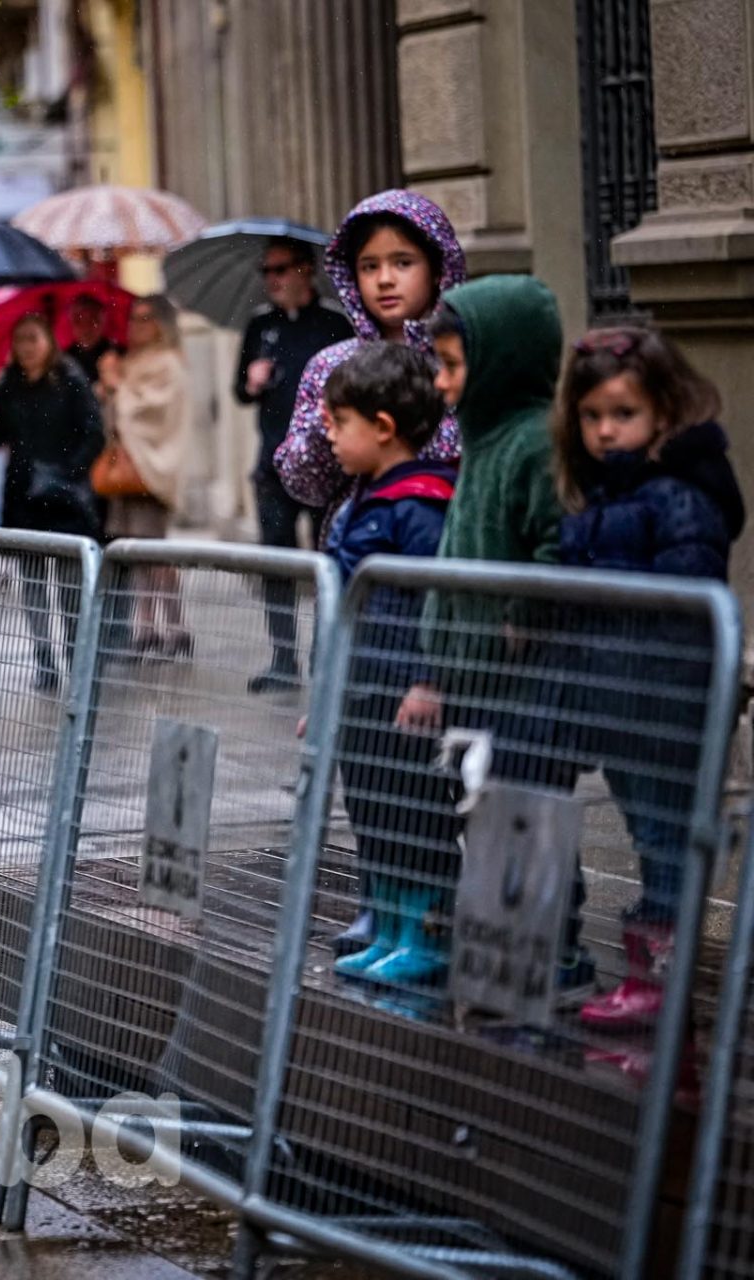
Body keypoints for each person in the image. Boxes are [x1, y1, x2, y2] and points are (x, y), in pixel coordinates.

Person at [395, 275, 595, 999]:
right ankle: (508, 947)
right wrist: (437, 661)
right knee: (486, 809)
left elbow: (557, 542)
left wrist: (522, 614)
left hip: (524, 678)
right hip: (475, 674)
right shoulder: (482, 442)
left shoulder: (535, 443)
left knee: (530, 814)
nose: (442, 381)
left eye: (453, 365)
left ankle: (556, 949)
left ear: (501, 361)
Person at [549, 328, 743, 1035]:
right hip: (616, 701)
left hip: (662, 705)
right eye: (592, 415)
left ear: (664, 410)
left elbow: (687, 595)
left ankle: (660, 983)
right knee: (648, 832)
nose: (606, 430)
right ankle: (650, 979)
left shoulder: (679, 497)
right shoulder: (602, 495)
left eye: (623, 414)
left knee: (665, 843)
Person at [315, 343, 460, 985]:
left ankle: (427, 935)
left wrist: (429, 680)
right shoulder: (362, 501)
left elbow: (439, 600)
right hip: (360, 689)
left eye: (339, 423)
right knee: (374, 812)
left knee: (414, 815)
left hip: (402, 693)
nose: (329, 436)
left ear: (382, 427)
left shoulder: (420, 505)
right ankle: (393, 928)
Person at [274, 191, 467, 526]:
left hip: (451, 540)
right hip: (361, 544)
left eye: (403, 263)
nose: (385, 280)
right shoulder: (332, 365)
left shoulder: (466, 358)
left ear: (438, 269)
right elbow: (304, 486)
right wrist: (330, 423)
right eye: (369, 266)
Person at [234, 238, 355, 692]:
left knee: (329, 563)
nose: (272, 279)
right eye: (266, 271)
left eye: (281, 269)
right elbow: (239, 392)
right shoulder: (260, 326)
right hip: (273, 465)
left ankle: (325, 655)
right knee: (276, 563)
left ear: (306, 269)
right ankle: (283, 658)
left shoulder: (335, 324)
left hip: (328, 466)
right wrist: (251, 382)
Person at [0, 313, 102, 688]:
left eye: (33, 338)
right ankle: (45, 663)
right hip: (24, 498)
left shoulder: (70, 378)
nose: (26, 348)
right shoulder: (9, 384)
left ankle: (77, 662)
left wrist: (68, 471)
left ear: (48, 341)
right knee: (32, 586)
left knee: (70, 587)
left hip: (65, 501)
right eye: (20, 340)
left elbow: (94, 432)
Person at [105, 295, 193, 658]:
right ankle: (146, 625)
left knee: (155, 552)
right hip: (127, 471)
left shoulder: (169, 362)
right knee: (136, 552)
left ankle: (175, 626)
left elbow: (152, 414)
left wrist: (116, 386)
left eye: (146, 318)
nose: (136, 326)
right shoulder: (131, 361)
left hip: (151, 471)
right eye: (134, 318)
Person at [64, 294, 120, 381]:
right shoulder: (65, 359)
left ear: (103, 321)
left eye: (92, 321)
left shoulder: (117, 354)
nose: (86, 328)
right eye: (79, 321)